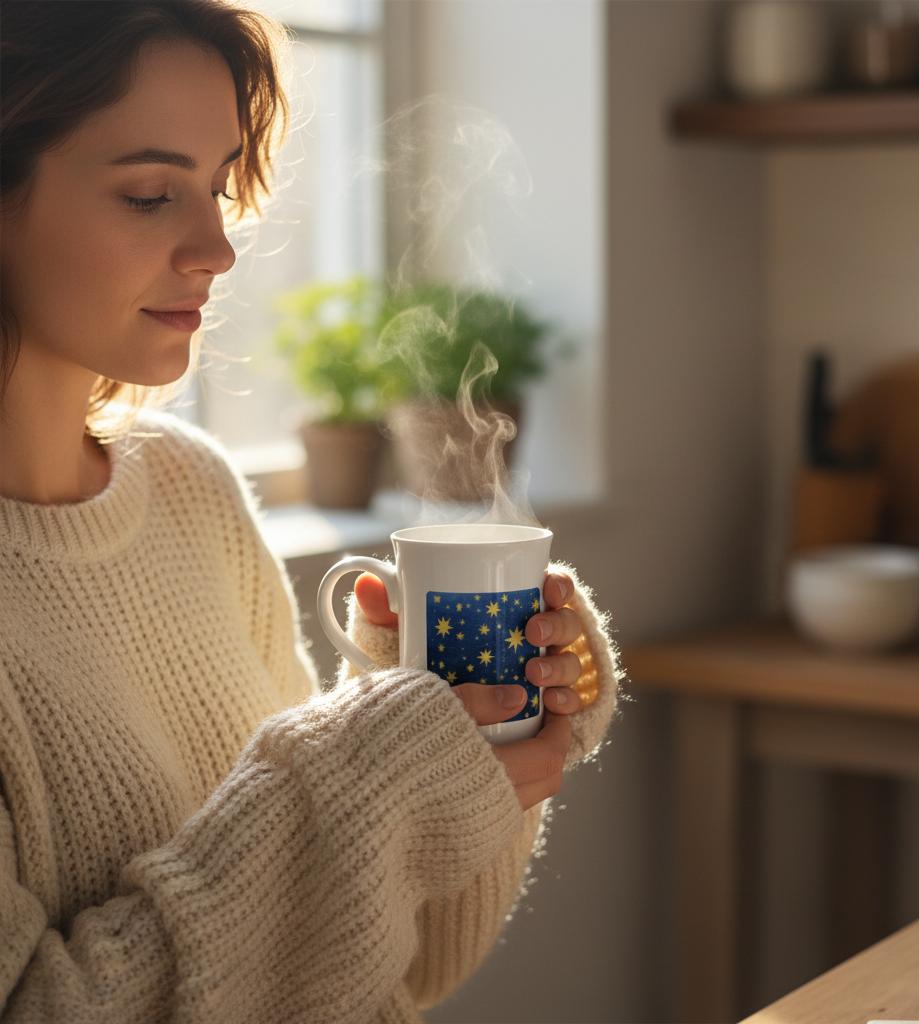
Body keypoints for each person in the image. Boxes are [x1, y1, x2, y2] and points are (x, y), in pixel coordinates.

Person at [0, 2, 626, 1021]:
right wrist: (364, 770)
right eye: (151, 194)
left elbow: (385, 973)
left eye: (218, 187)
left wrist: (452, 731)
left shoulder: (189, 490)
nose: (217, 247)